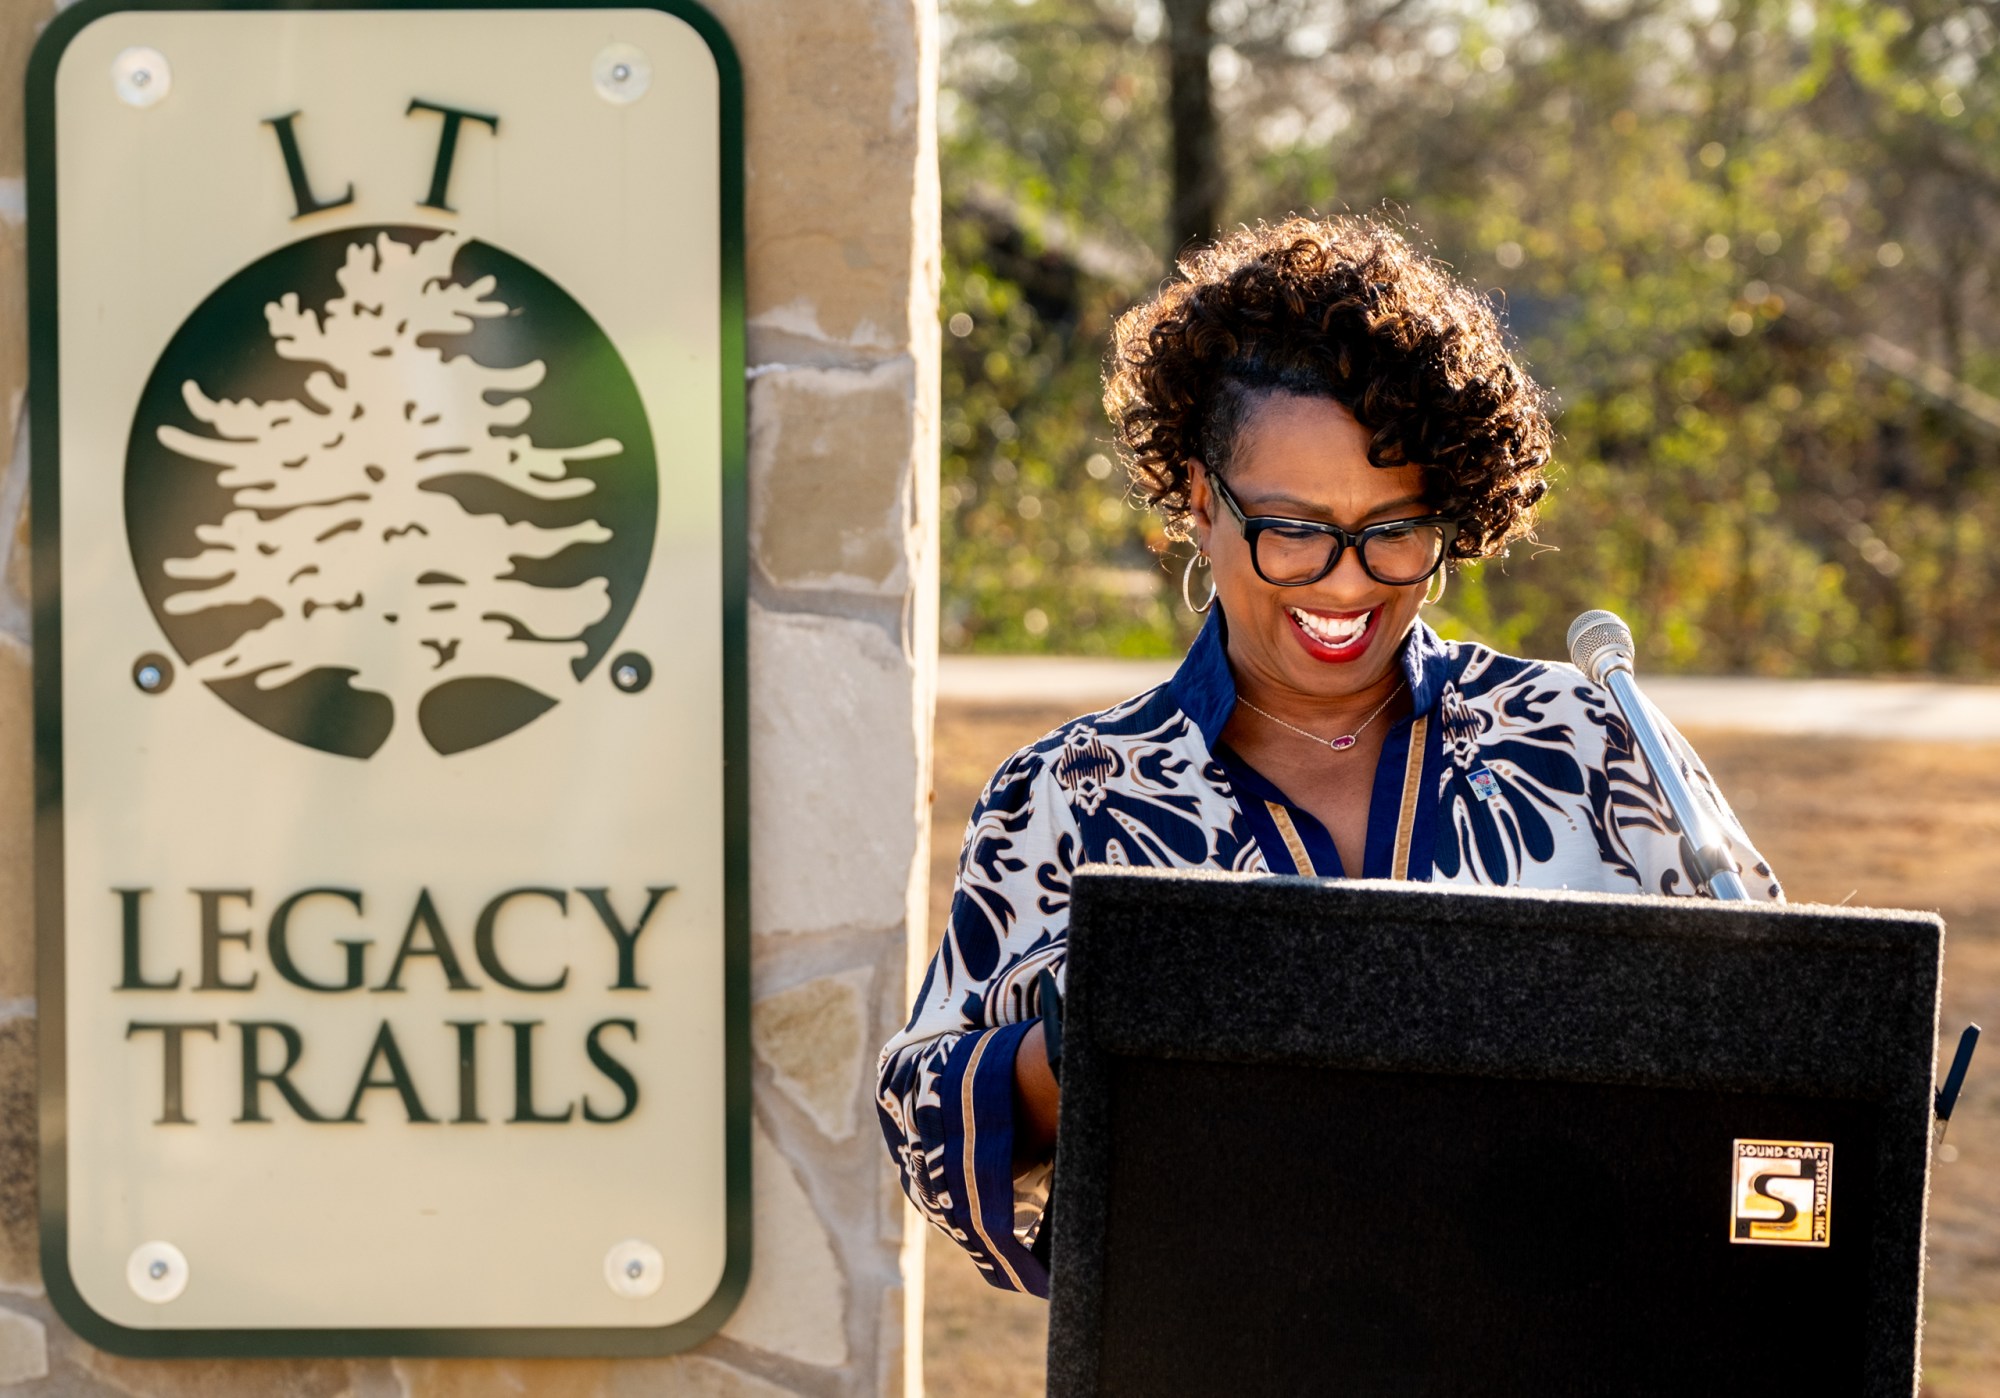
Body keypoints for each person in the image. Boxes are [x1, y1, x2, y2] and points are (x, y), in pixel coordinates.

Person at [877, 215, 1781, 1299]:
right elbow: (925, 1116)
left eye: (1392, 527)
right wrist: (1089, 1044)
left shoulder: (1580, 737)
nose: (1346, 582)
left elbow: (1787, 1043)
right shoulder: (1072, 793)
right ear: (1201, 505)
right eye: (1293, 528)